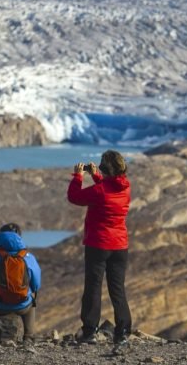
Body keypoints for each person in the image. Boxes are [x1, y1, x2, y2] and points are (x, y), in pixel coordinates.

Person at [67, 150, 132, 351]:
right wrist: (96, 177)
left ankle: (89, 332)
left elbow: (74, 196)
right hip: (120, 247)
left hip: (98, 246)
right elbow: (108, 190)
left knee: (93, 288)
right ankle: (122, 333)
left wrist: (78, 176)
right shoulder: (126, 188)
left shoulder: (100, 191)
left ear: (106, 169)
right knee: (118, 290)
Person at [0, 222, 42, 342]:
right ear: (20, 237)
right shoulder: (28, 257)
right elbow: (36, 285)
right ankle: (29, 335)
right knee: (31, 297)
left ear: (0, 236)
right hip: (22, 306)